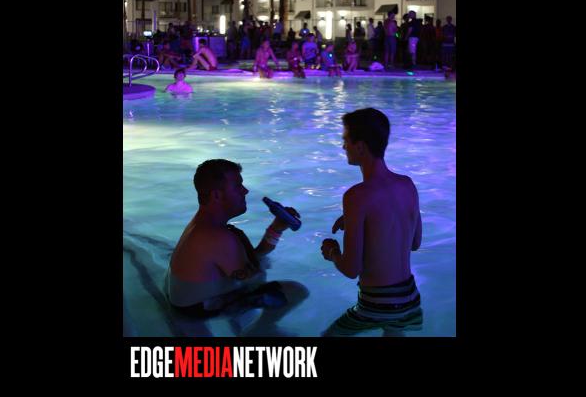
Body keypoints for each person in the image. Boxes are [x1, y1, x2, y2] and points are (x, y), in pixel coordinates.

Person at [321, 108, 423, 336]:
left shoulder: (356, 196)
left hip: (377, 303)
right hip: (410, 298)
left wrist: (332, 252)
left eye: (346, 140)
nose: (343, 146)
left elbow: (351, 269)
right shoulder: (407, 184)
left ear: (360, 147)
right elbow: (414, 243)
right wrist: (362, 222)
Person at [167, 159, 306, 319]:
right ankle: (264, 328)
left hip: (188, 300)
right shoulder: (216, 237)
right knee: (295, 292)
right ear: (217, 195)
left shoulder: (203, 224)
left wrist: (276, 229)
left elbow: (250, 258)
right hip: (199, 310)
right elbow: (255, 281)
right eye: (238, 186)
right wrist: (261, 266)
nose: (245, 191)